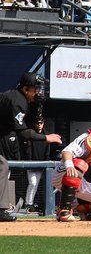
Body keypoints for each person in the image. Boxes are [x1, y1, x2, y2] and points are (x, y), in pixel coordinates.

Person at [0, 73, 63, 221]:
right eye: (36, 89)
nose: (39, 92)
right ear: (26, 89)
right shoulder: (18, 101)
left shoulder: (19, 99)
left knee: (2, 165)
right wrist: (46, 137)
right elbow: (23, 133)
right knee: (2, 165)